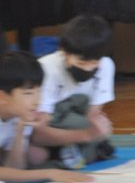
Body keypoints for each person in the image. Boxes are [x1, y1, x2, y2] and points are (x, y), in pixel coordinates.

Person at [31, 14, 115, 168]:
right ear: (63, 52)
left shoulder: (106, 65)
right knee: (36, 155)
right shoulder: (47, 69)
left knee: (98, 128)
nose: (88, 68)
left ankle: (66, 150)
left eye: (94, 62)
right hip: (49, 121)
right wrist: (87, 135)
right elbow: (37, 131)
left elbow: (93, 114)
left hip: (72, 120)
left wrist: (97, 129)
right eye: (81, 62)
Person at [0, 51, 92, 183]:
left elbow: (15, 169)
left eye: (39, 91)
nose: (37, 101)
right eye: (28, 93)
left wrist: (20, 130)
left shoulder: (19, 114)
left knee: (38, 156)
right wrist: (49, 173)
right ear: (2, 96)